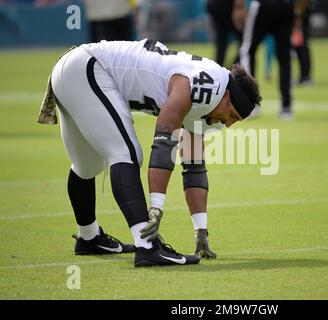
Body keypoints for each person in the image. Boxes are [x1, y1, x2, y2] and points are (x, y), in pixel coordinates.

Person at [37, 39, 261, 267]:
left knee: (88, 165)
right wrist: (156, 208)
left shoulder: (210, 100)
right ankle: (146, 247)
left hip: (73, 70)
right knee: (126, 153)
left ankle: (89, 237)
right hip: (88, 67)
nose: (228, 123)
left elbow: (193, 165)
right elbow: (165, 136)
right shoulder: (210, 86)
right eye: (232, 115)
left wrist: (200, 228)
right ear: (226, 97)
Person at [237, 0, 294, 119]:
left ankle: (250, 104)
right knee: (285, 57)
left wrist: (239, 6)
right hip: (285, 6)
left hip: (264, 5)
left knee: (247, 51)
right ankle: (287, 107)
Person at [206, 0, 242, 66]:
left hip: (215, 6)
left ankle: (220, 68)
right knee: (243, 41)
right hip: (225, 7)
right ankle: (233, 68)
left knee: (221, 40)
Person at [292, 0, 313, 85]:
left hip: (300, 18)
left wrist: (298, 17)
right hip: (299, 17)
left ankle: (306, 76)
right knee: (299, 48)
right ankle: (303, 76)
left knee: (302, 47)